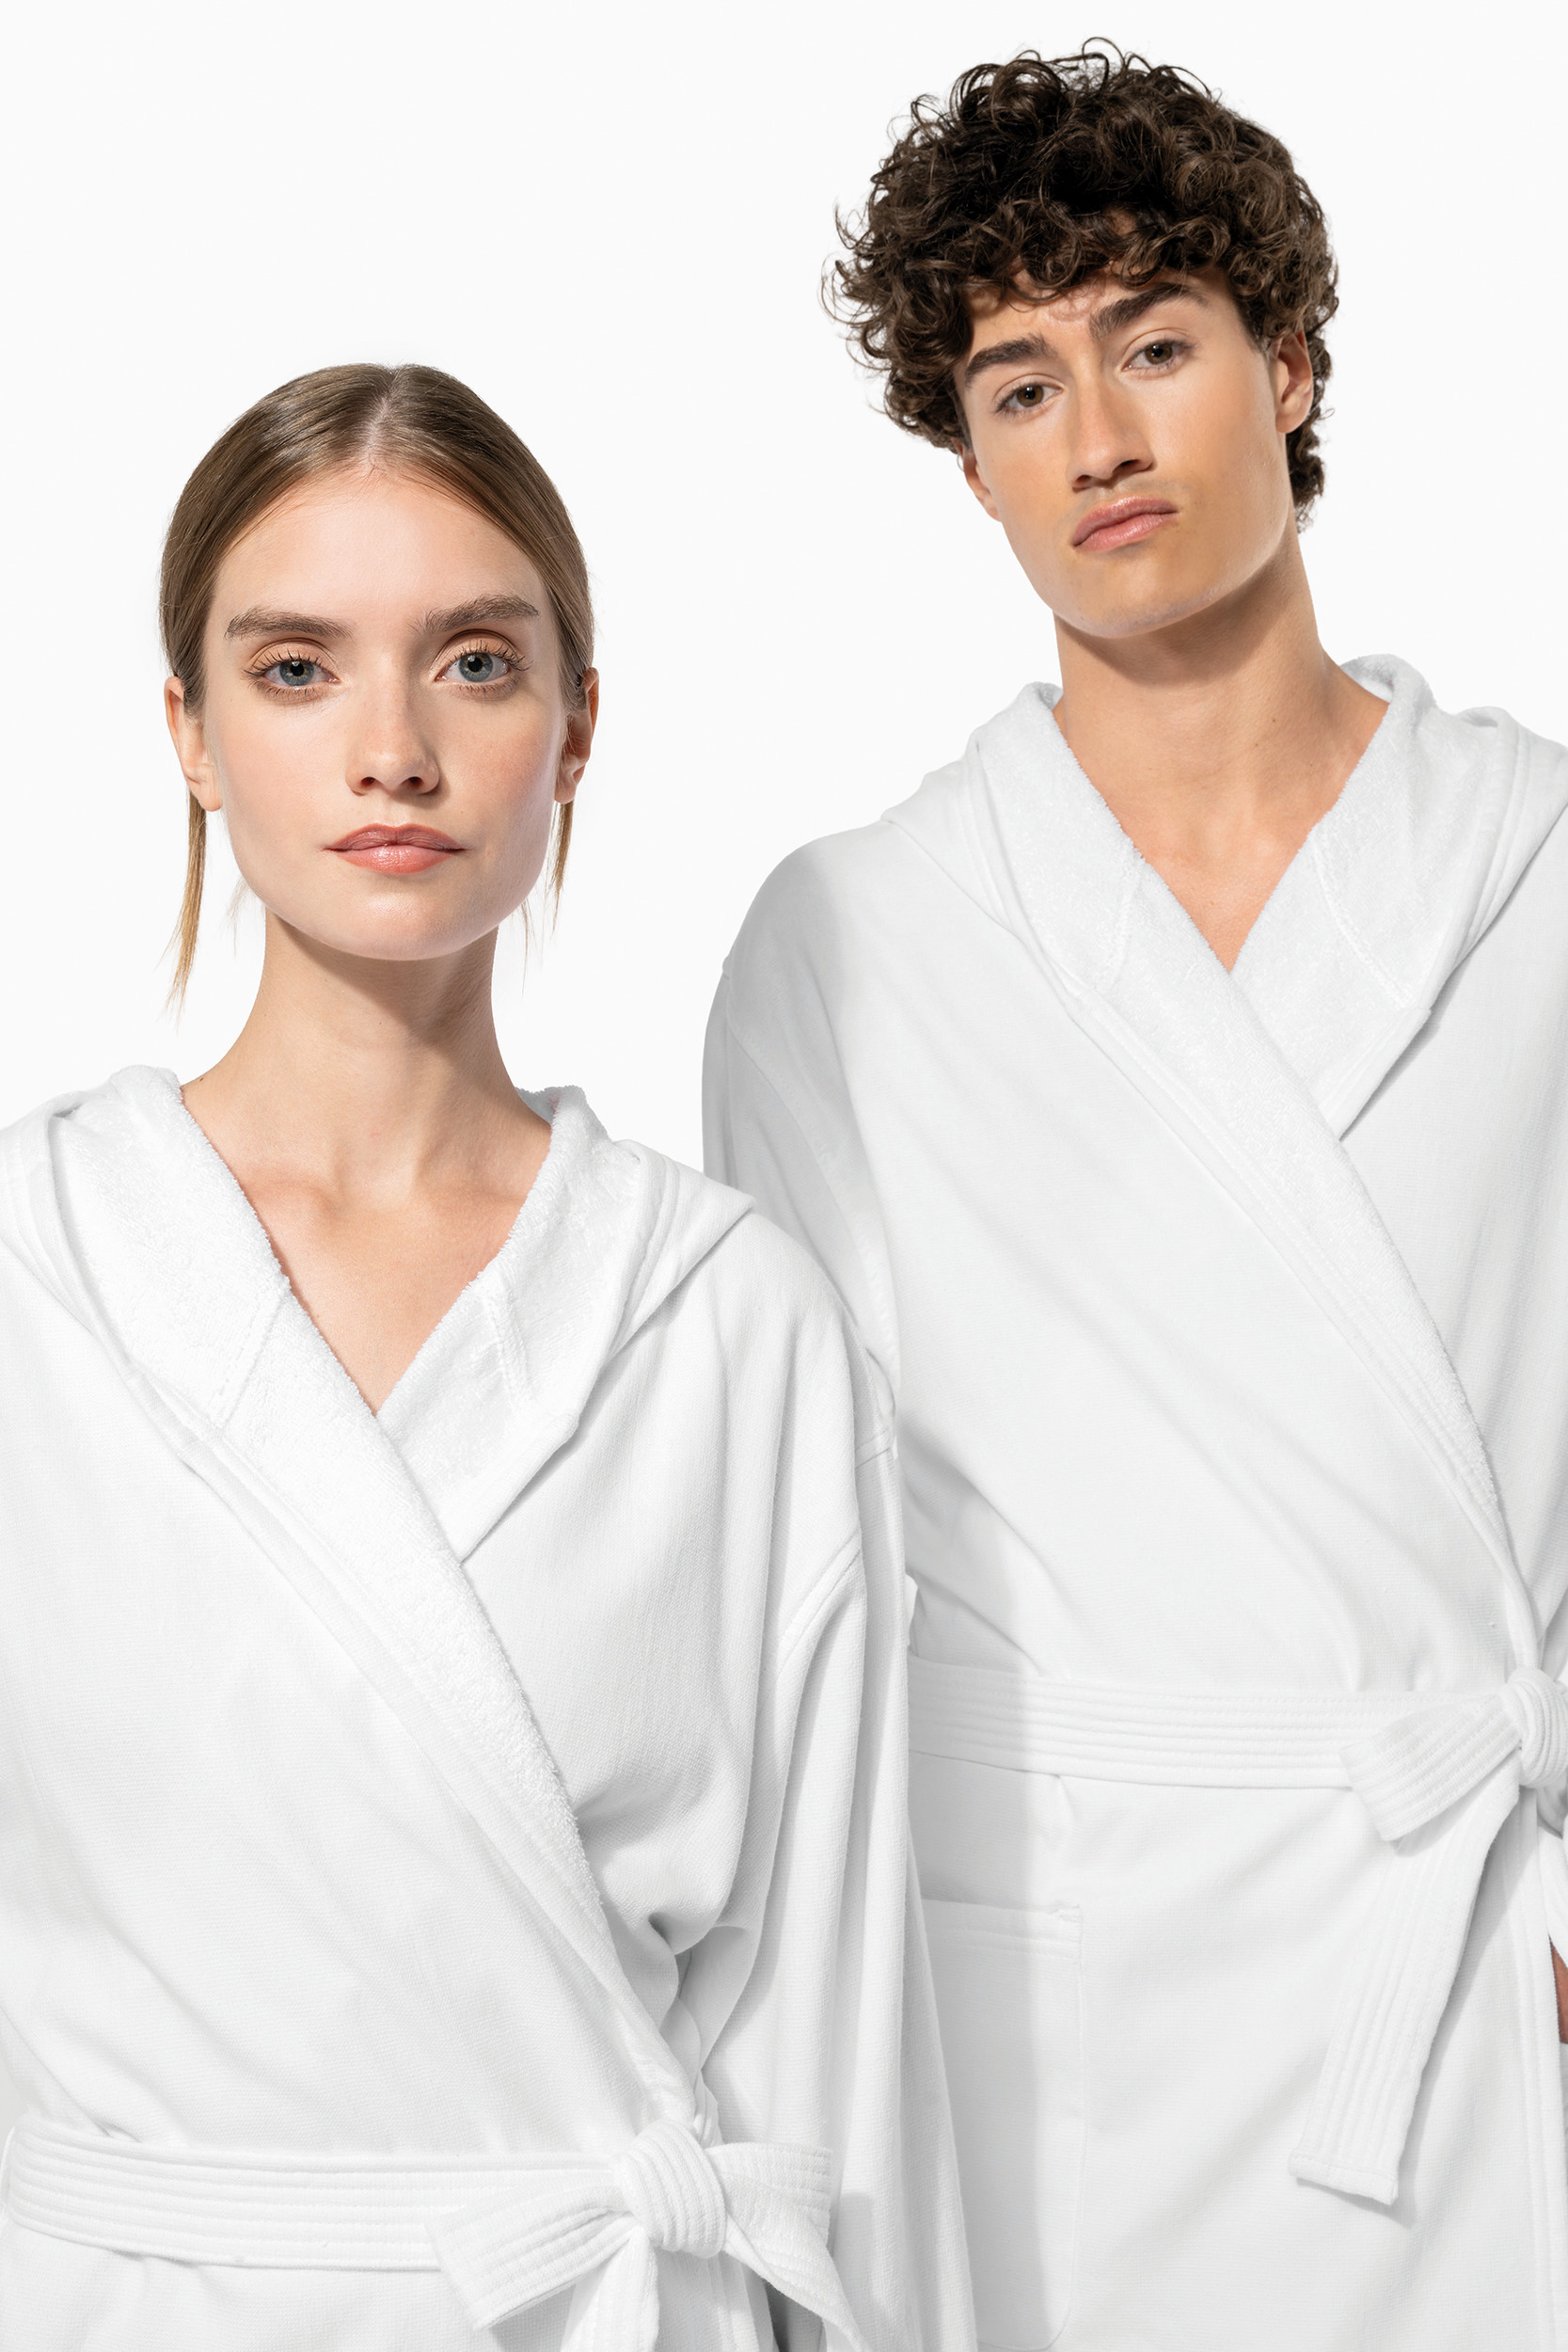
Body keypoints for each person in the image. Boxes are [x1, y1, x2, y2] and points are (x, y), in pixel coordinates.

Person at [705, 47, 1568, 2350]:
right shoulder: (852, 944)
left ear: (1290, 369)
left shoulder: (1546, 871)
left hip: (1480, 1974)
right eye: (1020, 384)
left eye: (1154, 344)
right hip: (1056, 2014)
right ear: (968, 458)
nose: (1096, 437)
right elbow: (797, 1599)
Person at [0, 361, 972, 2352]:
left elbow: (844, 2037)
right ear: (187, 732)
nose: (393, 751)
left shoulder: (731, 1317)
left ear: (576, 726)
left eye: (472, 663)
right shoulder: (37, 1267)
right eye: (295, 670)